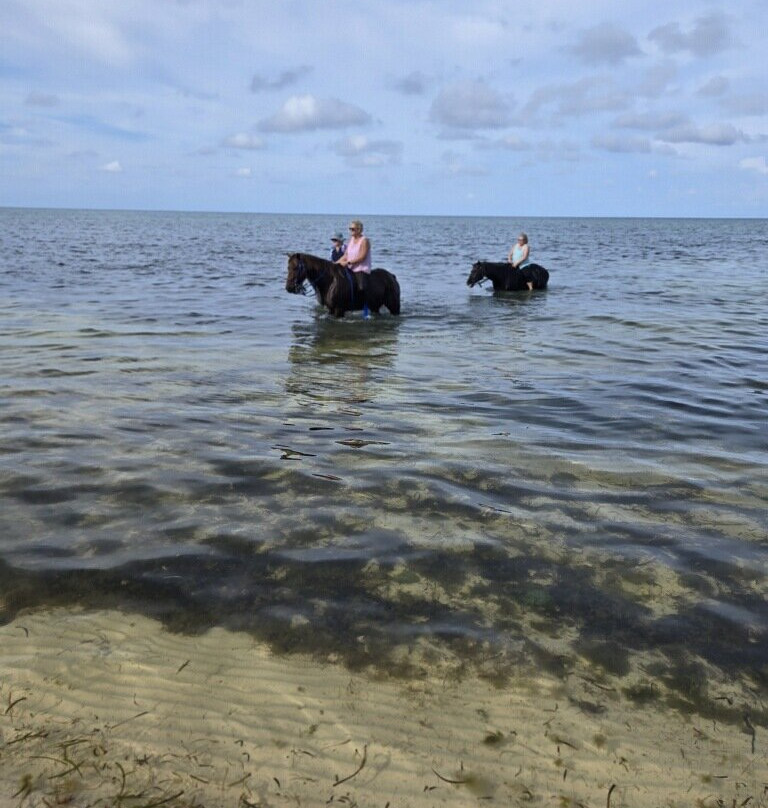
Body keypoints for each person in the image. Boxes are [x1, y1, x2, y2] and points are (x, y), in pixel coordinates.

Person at [337, 219, 371, 316]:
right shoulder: (351, 240)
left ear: (359, 230)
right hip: (350, 268)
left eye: (352, 229)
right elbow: (346, 255)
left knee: (361, 288)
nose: (350, 231)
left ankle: (365, 310)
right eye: (350, 229)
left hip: (361, 269)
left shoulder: (364, 241)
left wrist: (348, 262)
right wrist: (336, 263)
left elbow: (362, 256)